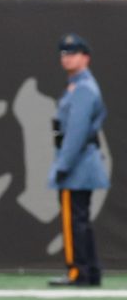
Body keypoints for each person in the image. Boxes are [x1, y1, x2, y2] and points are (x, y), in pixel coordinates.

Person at [48, 34, 106, 286]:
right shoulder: (77, 85)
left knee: (74, 221)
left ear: (86, 57)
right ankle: (91, 270)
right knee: (80, 219)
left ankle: (78, 271)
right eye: (64, 54)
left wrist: (63, 165)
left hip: (78, 163)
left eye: (72, 53)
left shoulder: (83, 88)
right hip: (80, 160)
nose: (67, 58)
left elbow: (77, 132)